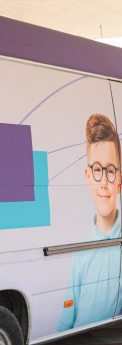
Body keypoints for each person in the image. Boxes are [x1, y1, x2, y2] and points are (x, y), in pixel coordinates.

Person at [57, 113, 122, 331]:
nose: (103, 182)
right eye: (97, 170)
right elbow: (66, 321)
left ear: (120, 179)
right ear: (87, 176)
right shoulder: (81, 255)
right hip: (79, 342)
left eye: (110, 171)